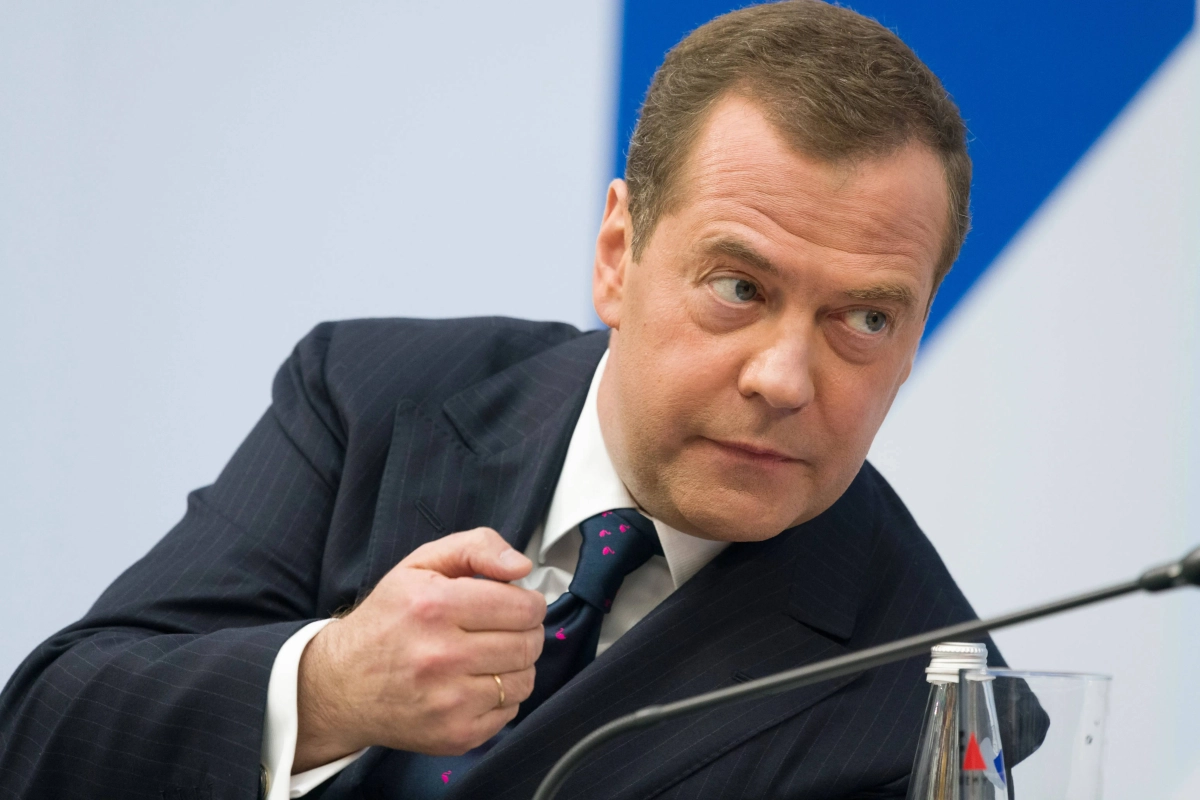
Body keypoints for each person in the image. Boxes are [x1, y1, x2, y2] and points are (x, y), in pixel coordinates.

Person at [0, 2, 1004, 798]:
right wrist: (328, 687)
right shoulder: (372, 395)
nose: (782, 378)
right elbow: (44, 735)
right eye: (739, 287)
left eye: (865, 318)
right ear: (617, 255)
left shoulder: (927, 697)